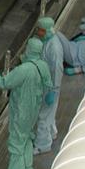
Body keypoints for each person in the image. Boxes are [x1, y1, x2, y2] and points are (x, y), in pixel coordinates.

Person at [0, 38, 52, 169]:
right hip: (33, 111)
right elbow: (48, 84)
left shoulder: (23, 70)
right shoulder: (43, 66)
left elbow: (3, 83)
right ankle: (28, 168)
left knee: (16, 142)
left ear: (29, 50)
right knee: (27, 137)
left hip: (21, 112)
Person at [33, 16, 63, 155]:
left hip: (50, 86)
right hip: (47, 84)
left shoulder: (54, 48)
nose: (38, 32)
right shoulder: (48, 41)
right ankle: (52, 132)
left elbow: (57, 70)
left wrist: (53, 90)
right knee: (49, 112)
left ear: (46, 30)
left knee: (43, 115)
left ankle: (42, 144)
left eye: (40, 30)